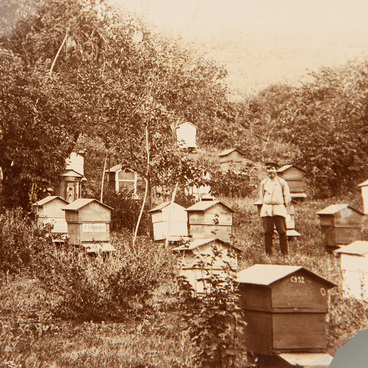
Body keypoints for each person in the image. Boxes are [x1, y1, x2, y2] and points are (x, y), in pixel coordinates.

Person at [259, 162, 291, 255]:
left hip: (279, 208)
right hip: (267, 209)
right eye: (268, 169)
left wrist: (284, 207)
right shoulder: (264, 183)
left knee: (282, 231)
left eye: (272, 168)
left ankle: (284, 253)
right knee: (267, 232)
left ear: (276, 170)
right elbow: (261, 196)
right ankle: (268, 253)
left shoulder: (282, 183)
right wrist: (265, 205)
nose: (270, 171)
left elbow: (287, 197)